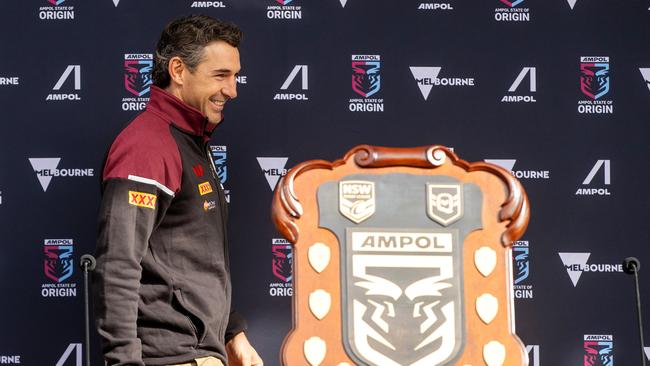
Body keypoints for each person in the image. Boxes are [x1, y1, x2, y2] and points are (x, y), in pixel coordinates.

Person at [93, 15, 263, 366]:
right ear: (178, 70)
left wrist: (232, 332)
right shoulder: (146, 147)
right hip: (170, 358)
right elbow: (118, 265)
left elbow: (192, 260)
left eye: (235, 76)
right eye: (221, 75)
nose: (232, 90)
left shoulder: (190, 141)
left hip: (200, 352)